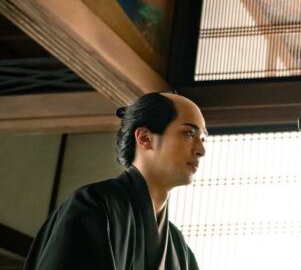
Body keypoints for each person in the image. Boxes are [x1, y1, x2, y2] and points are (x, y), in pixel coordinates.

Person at [24, 92, 207, 270]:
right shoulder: (94, 206)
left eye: (203, 138)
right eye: (189, 133)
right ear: (145, 138)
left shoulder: (178, 245)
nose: (201, 150)